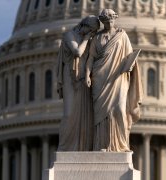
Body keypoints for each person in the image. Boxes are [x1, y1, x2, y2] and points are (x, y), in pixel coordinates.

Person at [85, 9, 143, 152]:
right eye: (106, 18)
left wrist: (130, 66)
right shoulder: (97, 38)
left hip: (118, 78)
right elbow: (90, 58)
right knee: (101, 114)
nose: (109, 20)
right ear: (102, 20)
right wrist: (87, 75)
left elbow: (130, 56)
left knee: (119, 109)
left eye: (111, 17)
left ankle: (120, 145)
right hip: (99, 78)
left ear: (115, 18)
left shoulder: (122, 36)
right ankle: (102, 144)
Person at [57, 15, 100, 151]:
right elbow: (77, 52)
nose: (91, 34)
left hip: (83, 79)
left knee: (84, 116)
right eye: (91, 30)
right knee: (69, 114)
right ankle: (65, 148)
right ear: (84, 25)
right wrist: (87, 38)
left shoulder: (90, 39)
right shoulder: (69, 35)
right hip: (70, 76)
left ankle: (81, 147)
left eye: (93, 32)